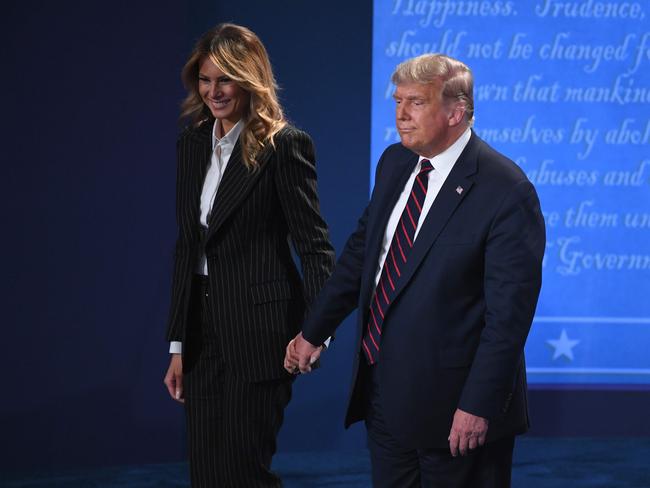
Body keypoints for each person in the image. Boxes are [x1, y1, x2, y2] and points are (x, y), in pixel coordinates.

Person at [285, 53, 545, 487]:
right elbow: (361, 258)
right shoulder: (395, 163)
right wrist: (315, 329)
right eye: (398, 101)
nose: (401, 115)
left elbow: (509, 320)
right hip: (384, 396)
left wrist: (478, 405)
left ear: (456, 112)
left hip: (456, 412)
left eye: (416, 103)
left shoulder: (507, 191)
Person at [162, 23, 335, 487]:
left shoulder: (284, 146)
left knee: (243, 473)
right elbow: (188, 247)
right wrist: (178, 343)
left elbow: (314, 245)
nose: (214, 91)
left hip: (261, 335)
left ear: (250, 79)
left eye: (226, 79)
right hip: (200, 335)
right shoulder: (192, 144)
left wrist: (316, 332)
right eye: (205, 80)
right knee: (207, 473)